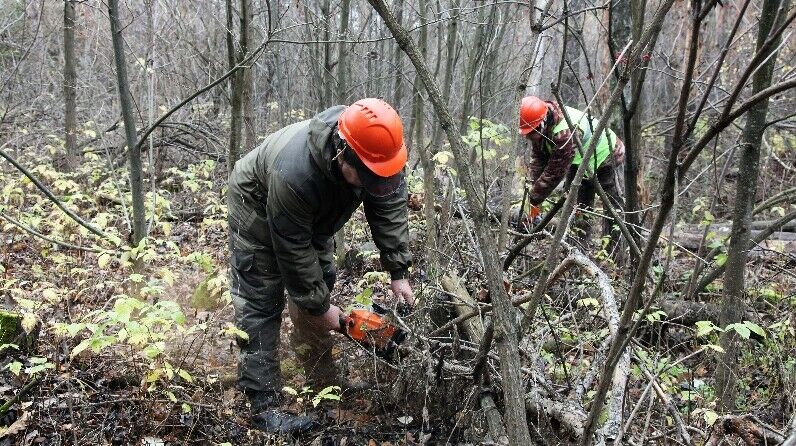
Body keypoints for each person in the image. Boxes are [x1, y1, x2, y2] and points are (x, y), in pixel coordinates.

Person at [227, 98, 414, 434]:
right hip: (256, 203)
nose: (372, 185)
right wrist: (324, 310)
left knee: (318, 288)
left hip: (312, 216)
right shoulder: (295, 174)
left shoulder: (377, 154)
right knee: (262, 298)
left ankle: (321, 383)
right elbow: (293, 251)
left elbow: (389, 204)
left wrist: (398, 272)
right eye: (366, 178)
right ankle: (264, 405)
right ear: (342, 153)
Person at [518, 96, 625, 248]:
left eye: (530, 133)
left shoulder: (565, 132)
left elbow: (554, 173)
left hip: (605, 153)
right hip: (579, 159)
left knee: (612, 208)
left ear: (541, 124)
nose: (528, 137)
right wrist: (531, 194)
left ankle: (614, 254)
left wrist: (535, 199)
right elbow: (538, 161)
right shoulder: (541, 126)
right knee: (577, 207)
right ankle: (577, 249)